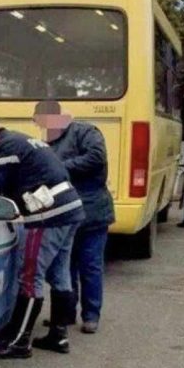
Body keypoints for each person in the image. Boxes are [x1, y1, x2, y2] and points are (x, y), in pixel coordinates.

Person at [0, 116, 85, 359]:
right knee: (60, 274)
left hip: (47, 217)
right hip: (69, 210)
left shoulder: (4, 148)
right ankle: (58, 336)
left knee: (30, 277)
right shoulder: (19, 140)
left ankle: (19, 342)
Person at [33, 101, 115, 334]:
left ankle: (91, 315)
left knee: (90, 266)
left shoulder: (85, 131)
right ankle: (66, 314)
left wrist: (60, 166)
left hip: (92, 212)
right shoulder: (49, 142)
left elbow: (96, 157)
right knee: (65, 267)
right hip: (65, 214)